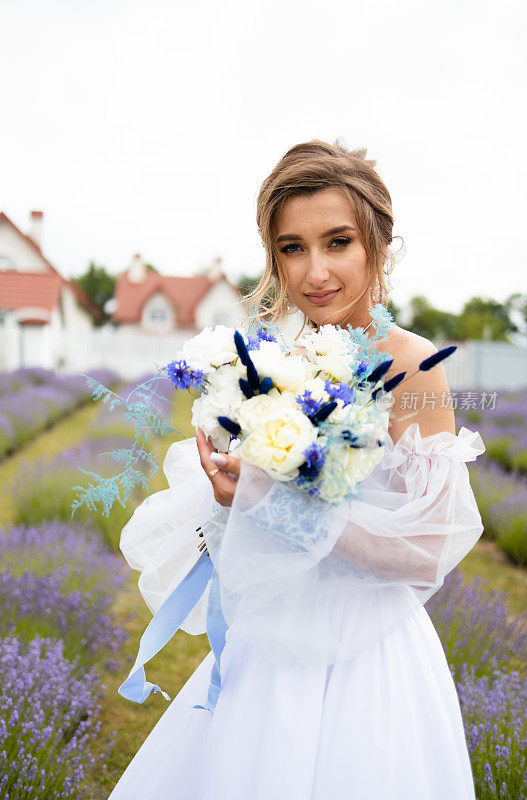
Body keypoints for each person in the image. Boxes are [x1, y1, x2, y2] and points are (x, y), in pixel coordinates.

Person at [108, 139, 485, 799]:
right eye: (291, 247)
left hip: (370, 656)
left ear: (376, 243)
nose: (315, 272)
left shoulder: (412, 363)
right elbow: (250, 535)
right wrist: (228, 499)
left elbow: (426, 551)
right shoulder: (274, 359)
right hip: (272, 644)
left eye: (337, 242)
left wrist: (275, 503)